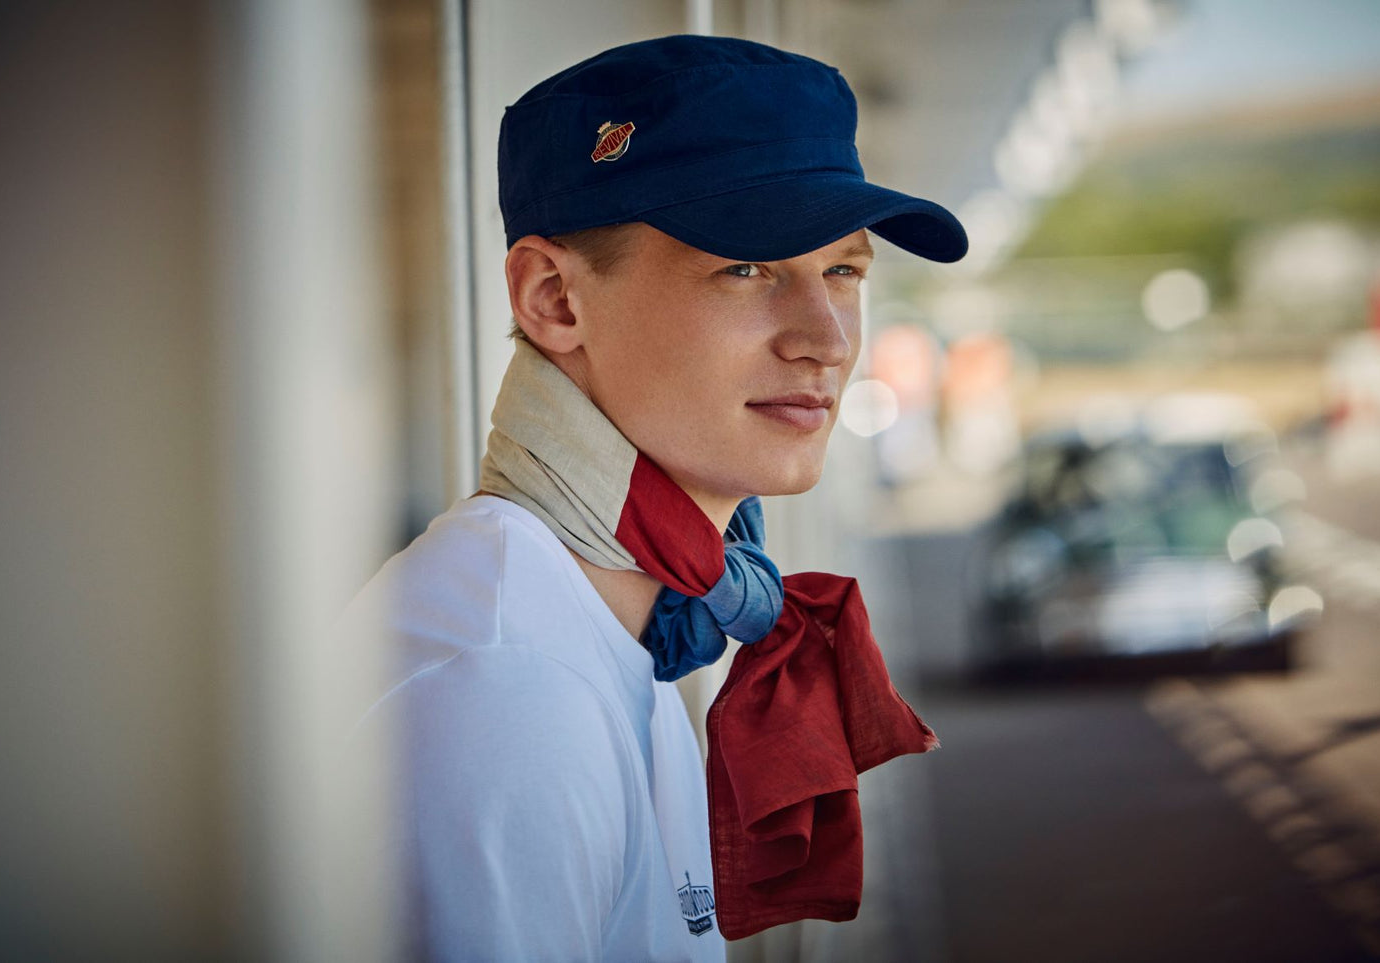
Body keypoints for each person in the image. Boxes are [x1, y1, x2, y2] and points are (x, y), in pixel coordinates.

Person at [344, 34, 966, 961]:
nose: (826, 339)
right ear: (554, 298)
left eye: (842, 270)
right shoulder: (505, 686)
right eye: (746, 267)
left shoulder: (641, 615)